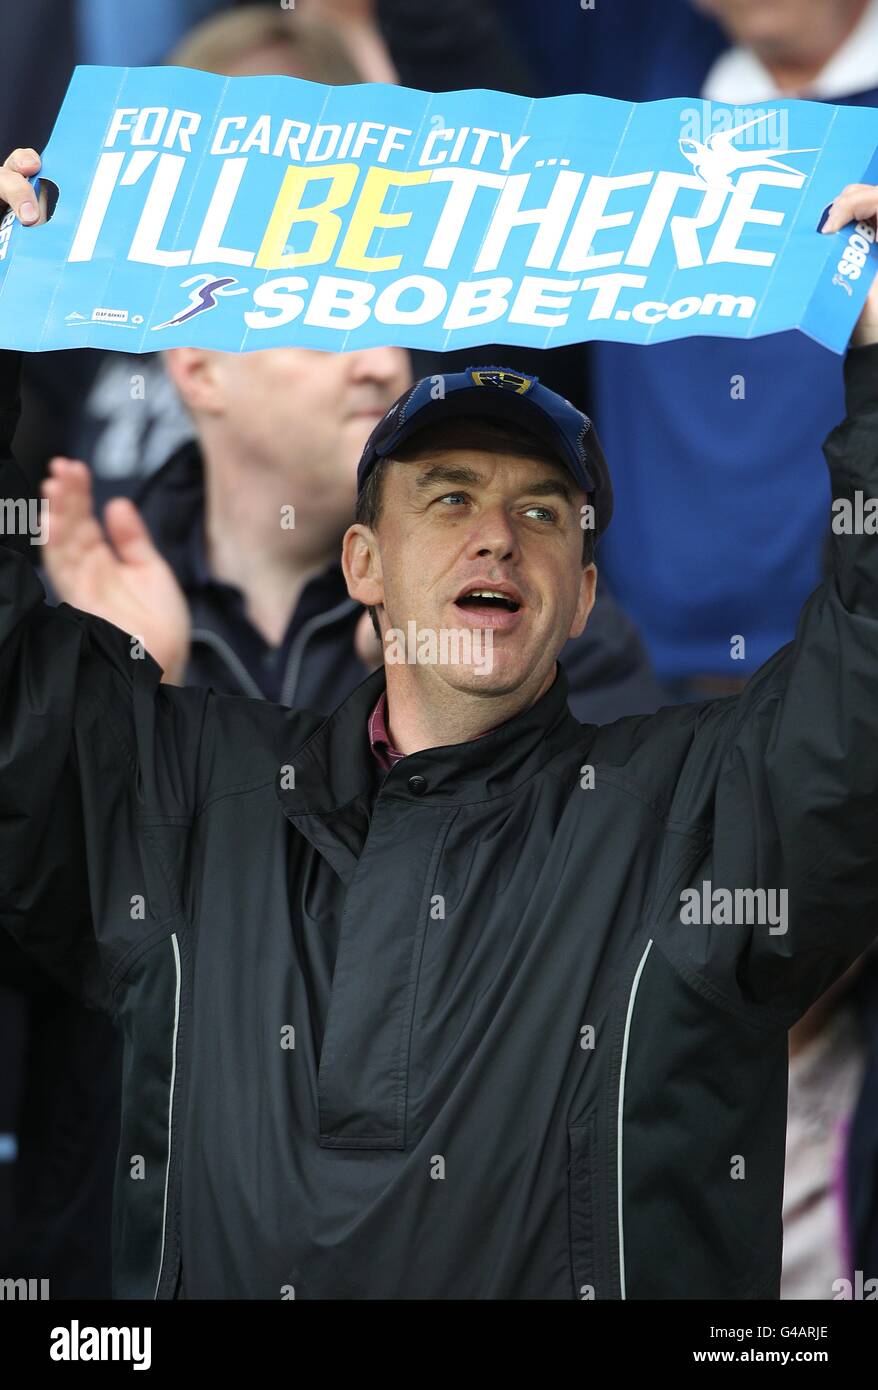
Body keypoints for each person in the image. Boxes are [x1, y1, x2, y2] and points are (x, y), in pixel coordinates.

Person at [2, 148, 878, 1300]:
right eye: (448, 496)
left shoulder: (698, 816)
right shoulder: (191, 794)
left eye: (540, 511)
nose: (496, 537)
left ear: (582, 592)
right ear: (363, 561)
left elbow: (859, 693)